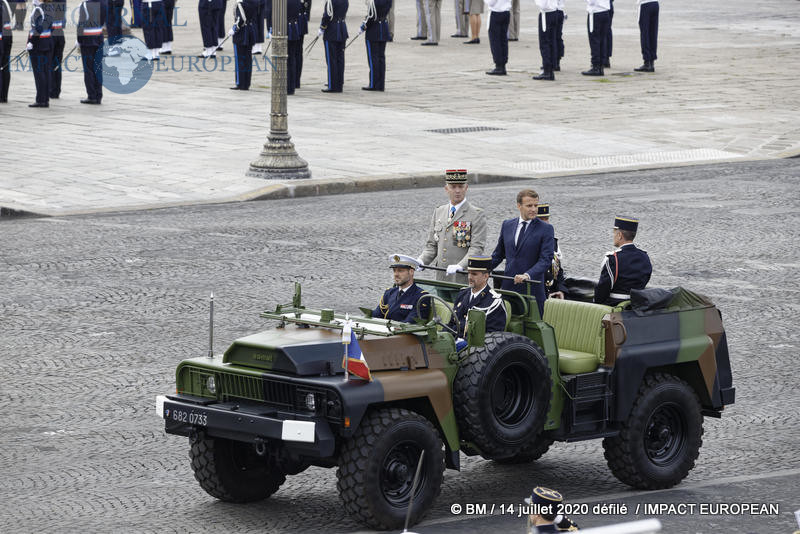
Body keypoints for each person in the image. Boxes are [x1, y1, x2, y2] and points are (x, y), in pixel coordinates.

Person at [490, 189, 554, 316]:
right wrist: (482, 269)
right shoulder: (507, 225)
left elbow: (546, 259)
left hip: (532, 290)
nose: (534, 209)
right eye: (529, 206)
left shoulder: (546, 229)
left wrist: (527, 275)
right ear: (519, 206)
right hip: (509, 288)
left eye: (536, 205)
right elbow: (498, 254)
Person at [417, 169, 487, 282]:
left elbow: (476, 248)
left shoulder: (475, 214)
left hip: (462, 278)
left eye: (460, 186)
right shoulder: (439, 212)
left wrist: (460, 266)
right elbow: (432, 245)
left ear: (466, 188)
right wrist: (422, 261)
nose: (457, 191)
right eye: (453, 187)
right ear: (446, 189)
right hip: (441, 277)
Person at [594, 216, 652, 305]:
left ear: (620, 235)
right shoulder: (644, 257)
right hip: (637, 305)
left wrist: (596, 303)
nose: (613, 236)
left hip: (614, 306)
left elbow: (603, 288)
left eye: (614, 233)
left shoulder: (613, 259)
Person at [449, 256, 507, 338]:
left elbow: (493, 337)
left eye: (474, 274)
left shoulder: (494, 302)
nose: (469, 277)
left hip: (473, 348)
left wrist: (464, 343)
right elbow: (451, 324)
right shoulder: (462, 294)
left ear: (486, 276)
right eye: (468, 273)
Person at [372, 255, 430, 323]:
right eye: (394, 271)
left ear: (411, 272)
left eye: (400, 271)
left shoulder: (421, 297)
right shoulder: (389, 293)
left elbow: (410, 323)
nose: (396, 274)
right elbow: (375, 316)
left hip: (402, 333)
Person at [76, 0, 106, 104]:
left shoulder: (84, 5)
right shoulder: (104, 3)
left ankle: (92, 95)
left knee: (88, 69)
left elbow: (81, 24)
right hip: (99, 37)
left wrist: (79, 40)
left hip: (87, 39)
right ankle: (98, 95)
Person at [537, 203, 566, 299]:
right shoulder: (528, 244)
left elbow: (559, 270)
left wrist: (560, 290)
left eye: (546, 219)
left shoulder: (552, 242)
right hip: (539, 293)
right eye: (541, 220)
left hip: (554, 292)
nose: (546, 223)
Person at [27, 0, 53, 108]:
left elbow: (38, 29)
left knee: (39, 74)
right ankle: (45, 98)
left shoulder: (38, 9)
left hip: (38, 44)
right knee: (45, 72)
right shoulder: (50, 7)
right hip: (47, 42)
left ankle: (41, 99)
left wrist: (31, 42)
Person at [361, 0, 390, 91]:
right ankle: (381, 84)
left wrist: (363, 26)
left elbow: (371, 16)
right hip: (384, 28)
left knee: (373, 59)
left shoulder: (374, 2)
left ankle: (373, 83)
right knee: (381, 58)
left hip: (374, 31)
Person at [229, 0, 258, 90]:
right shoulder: (254, 2)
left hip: (241, 34)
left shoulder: (240, 4)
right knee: (248, 59)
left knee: (240, 60)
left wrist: (233, 29)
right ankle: (246, 83)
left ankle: (240, 83)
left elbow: (240, 19)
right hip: (250, 32)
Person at [319, 0, 347, 93]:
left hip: (332, 31)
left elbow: (327, 16)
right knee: (340, 59)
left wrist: (322, 27)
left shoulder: (330, 1)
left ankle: (332, 85)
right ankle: (339, 84)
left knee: (332, 60)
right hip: (342, 29)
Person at [581, 0, 610, 76]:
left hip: (596, 12)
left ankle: (596, 66)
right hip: (605, 11)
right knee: (602, 40)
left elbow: (591, 1)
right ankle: (600, 66)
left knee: (594, 41)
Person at [532, 0, 557, 80]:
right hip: (553, 11)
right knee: (552, 42)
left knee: (544, 43)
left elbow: (542, 4)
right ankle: (551, 69)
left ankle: (547, 70)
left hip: (546, 14)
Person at [485, 0, 509, 76]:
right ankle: (503, 64)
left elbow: (491, 2)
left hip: (496, 12)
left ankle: (499, 65)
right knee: (503, 40)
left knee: (495, 41)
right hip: (506, 11)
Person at [46, 0, 65, 99]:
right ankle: (55, 90)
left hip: (51, 33)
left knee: (49, 63)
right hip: (59, 31)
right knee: (56, 64)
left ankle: (51, 90)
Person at [634, 0, 658, 72]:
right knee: (653, 34)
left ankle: (647, 62)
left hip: (645, 4)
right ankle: (652, 62)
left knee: (645, 34)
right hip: (655, 3)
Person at [0, 0, 13, 103]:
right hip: (8, 34)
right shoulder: (5, 2)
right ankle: (4, 95)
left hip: (2, 36)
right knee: (5, 66)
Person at [554, 0, 564, 69]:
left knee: (551, 39)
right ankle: (557, 61)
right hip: (560, 10)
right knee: (558, 37)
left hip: (553, 10)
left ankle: (554, 62)